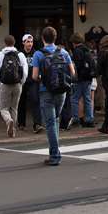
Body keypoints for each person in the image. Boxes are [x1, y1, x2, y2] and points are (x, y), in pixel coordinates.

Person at [30, 26, 76, 166]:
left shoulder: (38, 54)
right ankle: (53, 153)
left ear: (42, 38)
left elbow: (34, 76)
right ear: (55, 38)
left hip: (46, 90)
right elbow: (72, 73)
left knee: (50, 123)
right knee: (55, 119)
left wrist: (43, 78)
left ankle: (55, 155)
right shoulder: (63, 52)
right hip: (61, 90)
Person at [0, 34, 28, 137]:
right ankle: (12, 130)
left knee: (4, 108)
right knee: (14, 108)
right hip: (17, 84)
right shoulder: (20, 55)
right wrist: (22, 81)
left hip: (5, 84)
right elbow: (25, 71)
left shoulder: (0, 55)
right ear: (14, 43)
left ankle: (9, 121)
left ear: (5, 43)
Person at [67, 33, 96, 130]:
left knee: (74, 98)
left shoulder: (77, 51)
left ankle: (76, 118)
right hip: (88, 78)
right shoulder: (86, 49)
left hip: (80, 78)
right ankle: (89, 119)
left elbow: (77, 65)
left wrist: (74, 76)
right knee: (87, 99)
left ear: (74, 42)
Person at [17, 34, 41, 131]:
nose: (30, 44)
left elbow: (40, 66)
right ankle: (21, 123)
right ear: (23, 43)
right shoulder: (19, 54)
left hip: (33, 81)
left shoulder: (36, 53)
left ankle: (37, 124)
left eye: (31, 42)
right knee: (21, 102)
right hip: (22, 81)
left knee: (35, 101)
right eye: (27, 42)